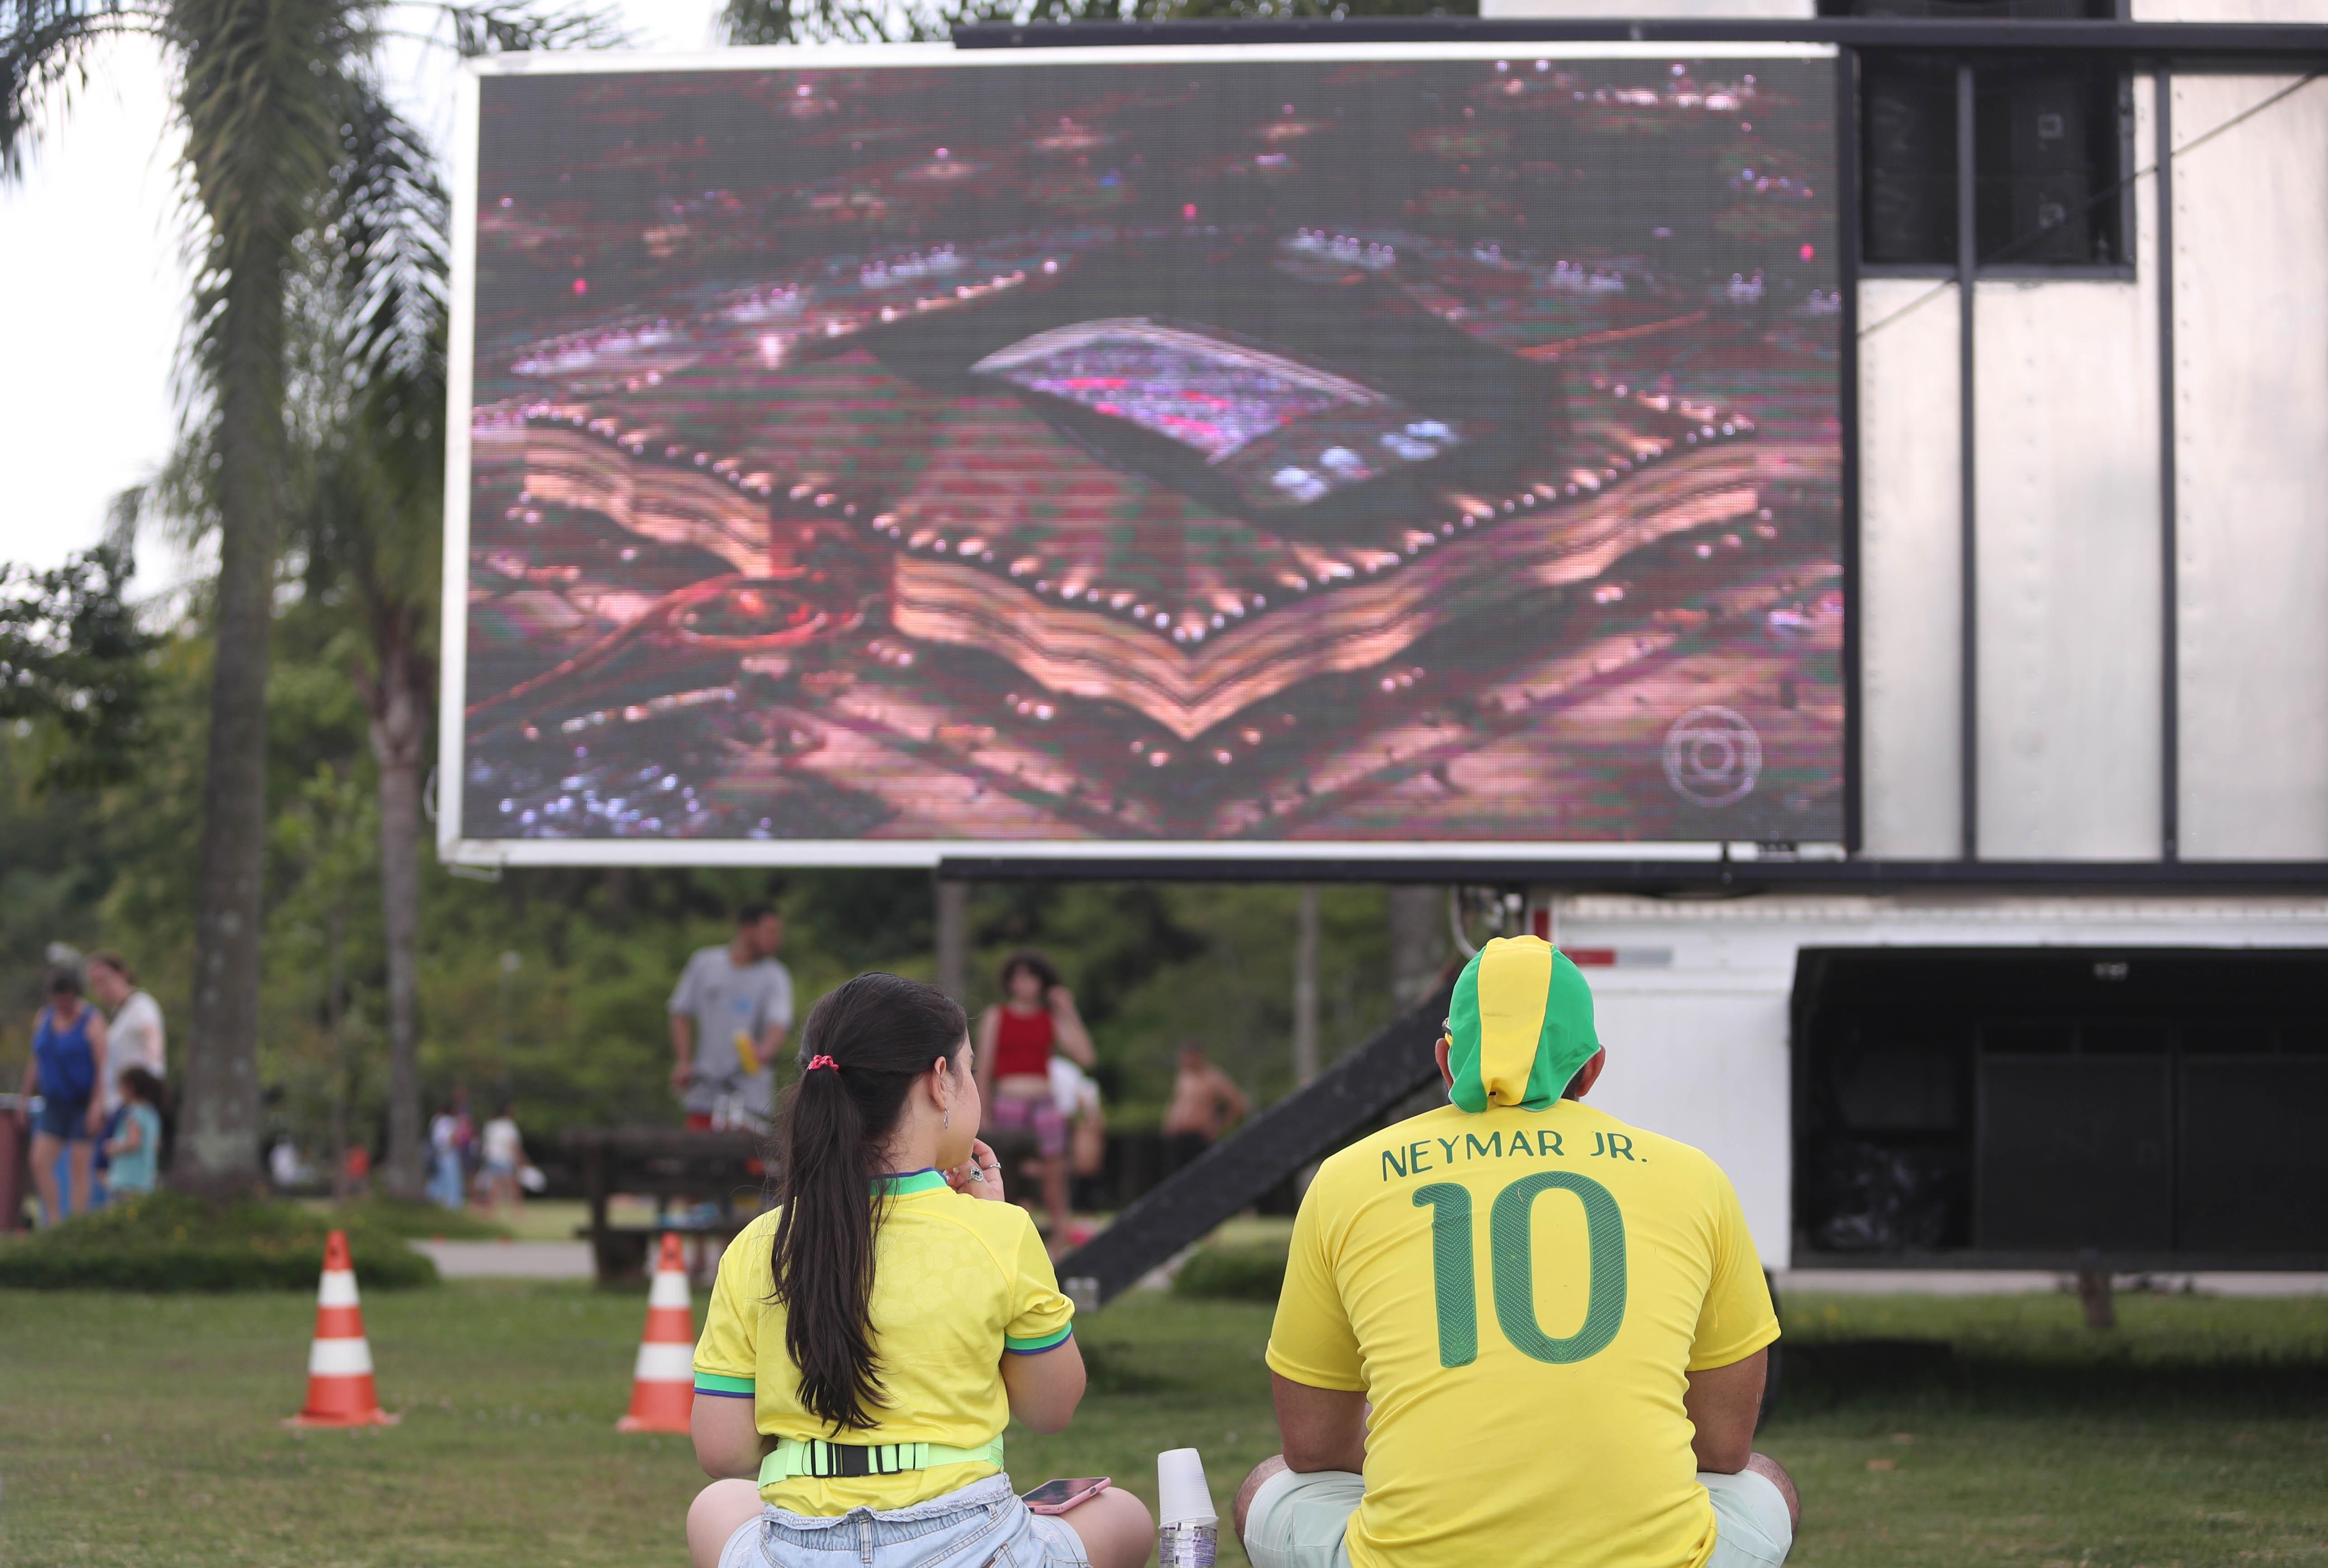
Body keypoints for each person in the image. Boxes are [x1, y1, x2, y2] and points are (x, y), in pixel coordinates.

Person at [1236, 936, 1798, 1568]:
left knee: (1268, 1484)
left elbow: (1313, 1447)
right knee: (1766, 1478)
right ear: (1592, 1069)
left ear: (1447, 1062)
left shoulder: (1344, 1178)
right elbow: (1724, 1447)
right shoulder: (1697, 1177)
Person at [685, 973, 1152, 1568]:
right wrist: (1001, 1231)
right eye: (970, 1068)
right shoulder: (997, 1231)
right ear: (939, 1081)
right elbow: (1050, 1408)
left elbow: (723, 1450)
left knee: (719, 1502)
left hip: (799, 1549)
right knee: (1126, 1516)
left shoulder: (759, 1243)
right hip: (971, 1548)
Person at [975, 951, 1094, 1252]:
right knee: (1004, 1169)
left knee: (1055, 1172)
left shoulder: (1049, 1018)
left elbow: (1086, 1056)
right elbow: (984, 1067)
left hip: (1045, 1103)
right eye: (1019, 978)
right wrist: (982, 1114)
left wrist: (1068, 1011)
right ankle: (1005, 1234)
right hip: (1009, 1102)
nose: (1025, 984)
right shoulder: (996, 1015)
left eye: (1032, 978)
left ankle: (1058, 1237)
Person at [671, 903, 795, 1132]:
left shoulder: (775, 975)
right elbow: (680, 1013)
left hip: (750, 1094)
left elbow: (779, 1023)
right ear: (748, 929)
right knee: (696, 1157)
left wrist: (764, 1051)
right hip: (705, 1088)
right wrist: (685, 1062)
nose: (777, 939)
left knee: (752, 1161)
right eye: (770, 932)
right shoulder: (704, 963)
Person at [15, 968, 106, 1225]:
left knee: (78, 1168)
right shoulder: (44, 1018)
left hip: (82, 1103)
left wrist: (97, 1105)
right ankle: (54, 1220)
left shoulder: (91, 1020)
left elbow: (103, 1066)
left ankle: (76, 1227)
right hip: (53, 1103)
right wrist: (25, 1097)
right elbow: (36, 1060)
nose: (62, 1005)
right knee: (40, 1162)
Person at [86, 950, 166, 1186]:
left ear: (122, 975)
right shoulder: (119, 1014)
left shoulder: (141, 1005)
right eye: (96, 984)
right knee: (112, 1165)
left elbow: (152, 1036)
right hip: (118, 1101)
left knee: (122, 1162)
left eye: (105, 980)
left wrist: (153, 1075)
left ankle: (129, 1211)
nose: (102, 989)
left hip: (136, 1100)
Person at [1161, 1041, 1249, 1173]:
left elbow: (1240, 1104)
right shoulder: (1184, 1077)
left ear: (1198, 1056)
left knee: (1201, 1176)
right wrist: (1170, 1121)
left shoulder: (1213, 1077)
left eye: (1187, 1057)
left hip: (1200, 1138)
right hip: (1179, 1137)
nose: (1183, 1061)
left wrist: (1220, 1126)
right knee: (1178, 1178)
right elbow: (1178, 1102)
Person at [104, 1067, 164, 1197]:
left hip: (127, 1180)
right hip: (146, 1179)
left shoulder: (134, 1114)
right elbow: (157, 1144)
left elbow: (133, 1142)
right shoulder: (152, 1114)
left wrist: (113, 1148)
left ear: (129, 1088)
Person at [481, 1101, 528, 1220]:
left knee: (496, 1184)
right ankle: (517, 1211)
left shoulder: (491, 1125)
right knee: (513, 1185)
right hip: (505, 1158)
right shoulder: (509, 1126)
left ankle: (491, 1210)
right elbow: (513, 1145)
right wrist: (519, 1160)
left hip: (492, 1158)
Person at [427, 1101, 465, 1210]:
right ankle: (453, 1205)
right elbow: (454, 1138)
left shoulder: (436, 1120)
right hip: (449, 1153)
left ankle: (435, 1200)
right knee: (452, 1180)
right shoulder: (450, 1122)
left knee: (437, 1179)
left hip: (437, 1153)